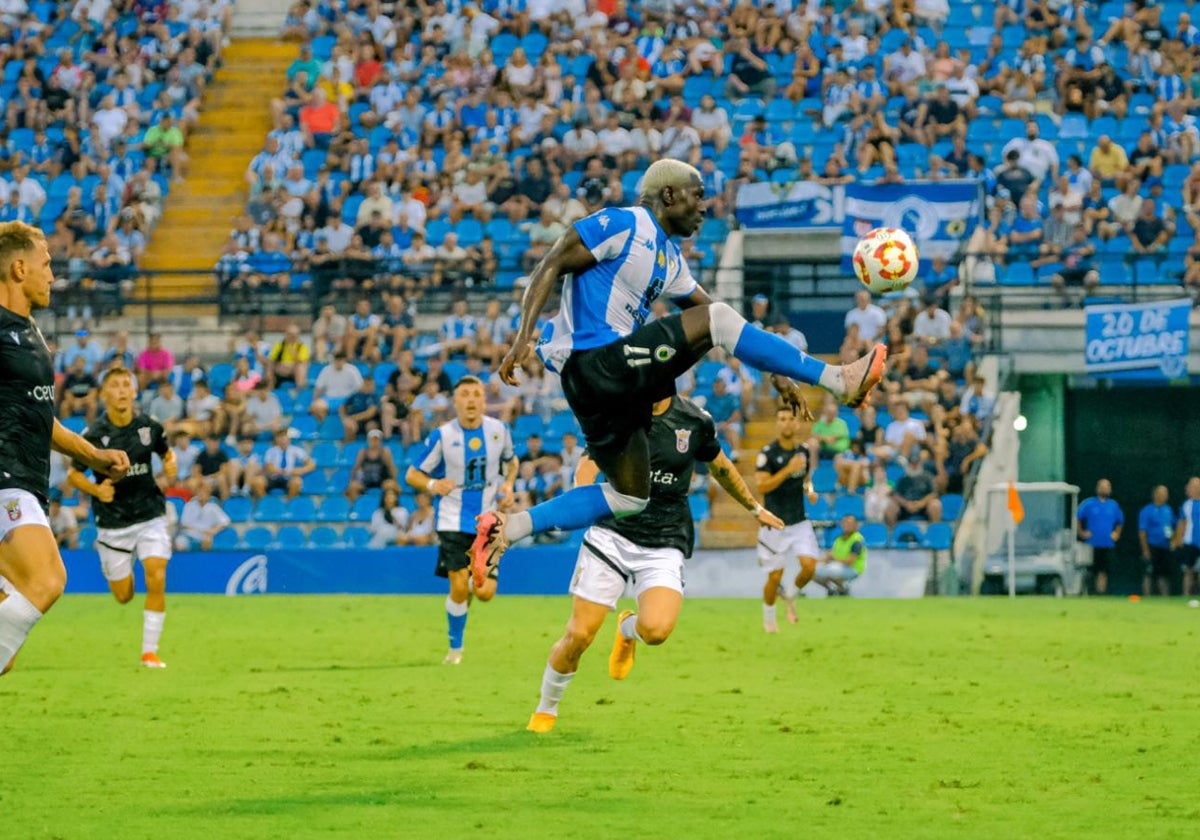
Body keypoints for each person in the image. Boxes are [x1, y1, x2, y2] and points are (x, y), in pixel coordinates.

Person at [473, 159, 886, 582]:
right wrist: (522, 336)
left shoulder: (670, 261)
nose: (705, 206)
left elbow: (712, 316)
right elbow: (552, 261)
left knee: (630, 496)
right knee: (719, 318)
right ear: (668, 194)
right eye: (698, 193)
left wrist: (779, 374)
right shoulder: (625, 223)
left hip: (598, 390)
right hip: (599, 359)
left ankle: (509, 527)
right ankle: (838, 379)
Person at [527, 394, 783, 733]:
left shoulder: (695, 420)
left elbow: (719, 465)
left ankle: (626, 630)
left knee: (657, 631)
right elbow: (590, 463)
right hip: (613, 533)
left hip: (664, 538)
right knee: (578, 635)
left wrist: (753, 507)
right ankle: (546, 710)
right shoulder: (619, 411)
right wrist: (582, 495)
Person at [0, 221, 131, 677]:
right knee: (49, 579)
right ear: (19, 268)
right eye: (46, 264)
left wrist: (94, 456)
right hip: (5, 482)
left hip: (28, 484)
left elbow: (44, 419)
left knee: (8, 654)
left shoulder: (30, 332)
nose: (53, 276)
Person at [66, 367, 176, 668]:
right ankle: (119, 571)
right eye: (115, 385)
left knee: (157, 575)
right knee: (124, 596)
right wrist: (95, 490)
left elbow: (166, 453)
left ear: (135, 392)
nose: (122, 390)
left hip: (150, 514)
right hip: (113, 525)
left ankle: (149, 652)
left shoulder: (150, 427)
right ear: (103, 395)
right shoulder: (94, 436)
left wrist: (171, 464)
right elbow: (74, 475)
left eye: (127, 384)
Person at [405, 376, 517, 665]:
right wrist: (433, 485)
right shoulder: (442, 436)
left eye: (475, 394)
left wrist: (509, 485)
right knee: (457, 587)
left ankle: (468, 587)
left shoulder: (499, 431)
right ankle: (455, 649)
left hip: (488, 521)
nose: (470, 400)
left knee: (485, 593)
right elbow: (412, 474)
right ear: (455, 401)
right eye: (464, 394)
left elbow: (511, 461)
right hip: (452, 519)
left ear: (483, 400)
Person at [755, 406, 820, 633]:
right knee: (774, 577)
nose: (786, 423)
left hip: (799, 521)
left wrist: (810, 490)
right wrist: (787, 470)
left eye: (791, 418)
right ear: (777, 423)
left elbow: (805, 479)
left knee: (810, 567)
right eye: (782, 418)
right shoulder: (767, 454)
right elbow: (762, 485)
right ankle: (769, 619)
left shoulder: (803, 452)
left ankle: (791, 594)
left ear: (797, 423)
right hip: (774, 524)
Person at [1077, 478, 1124, 595]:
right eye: (1102, 487)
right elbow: (1077, 518)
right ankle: (1087, 592)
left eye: (1107, 487)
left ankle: (1100, 592)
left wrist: (1116, 534)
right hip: (1091, 544)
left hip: (1107, 543)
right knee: (1090, 569)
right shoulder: (1088, 504)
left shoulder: (1113, 505)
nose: (1104, 489)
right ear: (1097, 488)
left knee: (1104, 570)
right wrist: (1081, 533)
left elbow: (1120, 521)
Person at [813, 514, 867, 596]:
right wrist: (816, 561)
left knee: (831, 570)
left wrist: (833, 559)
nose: (847, 525)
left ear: (856, 525)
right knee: (811, 571)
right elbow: (830, 556)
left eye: (850, 523)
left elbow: (850, 562)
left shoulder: (857, 540)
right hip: (838, 566)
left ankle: (843, 588)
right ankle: (832, 590)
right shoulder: (839, 539)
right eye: (845, 523)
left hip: (853, 569)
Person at [1139, 485, 1174, 597]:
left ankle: (1165, 597)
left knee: (1164, 574)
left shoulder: (1168, 510)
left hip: (1165, 547)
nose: (1164, 495)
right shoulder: (1147, 510)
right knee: (1148, 573)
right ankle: (1147, 597)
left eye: (1166, 493)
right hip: (1152, 546)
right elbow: (1142, 531)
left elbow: (1175, 527)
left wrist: (1173, 542)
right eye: (1161, 493)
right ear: (1155, 495)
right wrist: (1145, 549)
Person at [176, 481, 231, 551]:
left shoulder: (213, 507)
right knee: (180, 541)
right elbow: (184, 524)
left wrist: (213, 530)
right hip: (190, 534)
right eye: (199, 492)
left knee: (208, 539)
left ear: (208, 494)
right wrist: (199, 531)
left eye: (204, 492)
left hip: (206, 535)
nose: (202, 494)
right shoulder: (189, 506)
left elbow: (226, 521)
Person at [1174, 477, 1200, 596]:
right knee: (1188, 570)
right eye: (1190, 486)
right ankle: (1186, 595)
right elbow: (1182, 524)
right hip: (1190, 543)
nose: (1191, 488)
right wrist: (1178, 540)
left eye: (1195, 486)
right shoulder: (1186, 505)